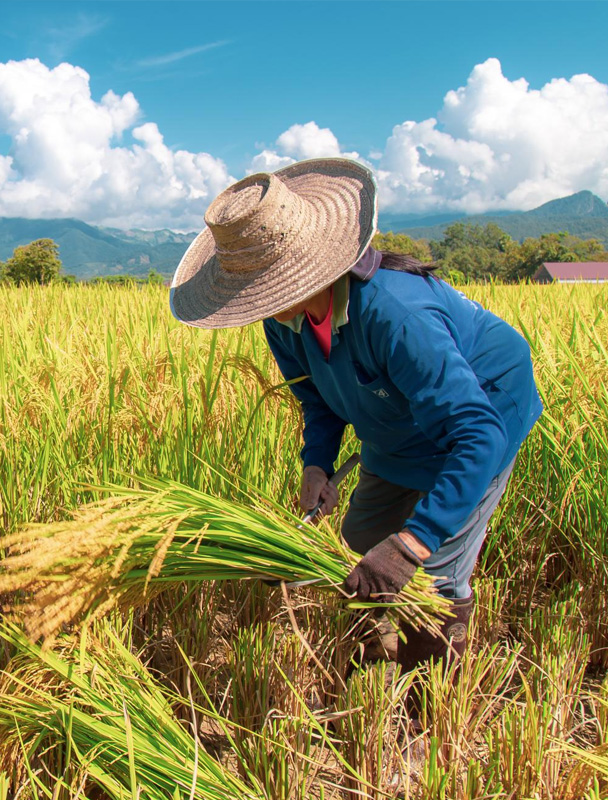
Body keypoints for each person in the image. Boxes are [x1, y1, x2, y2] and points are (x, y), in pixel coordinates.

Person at [168, 158, 542, 681]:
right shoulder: (284, 319)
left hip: (485, 408)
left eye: (265, 290)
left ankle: (428, 704)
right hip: (393, 419)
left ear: (308, 269)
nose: (259, 306)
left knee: (428, 575)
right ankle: (373, 665)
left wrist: (412, 544)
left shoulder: (394, 316)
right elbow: (317, 399)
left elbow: (476, 435)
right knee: (361, 538)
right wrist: (316, 466)